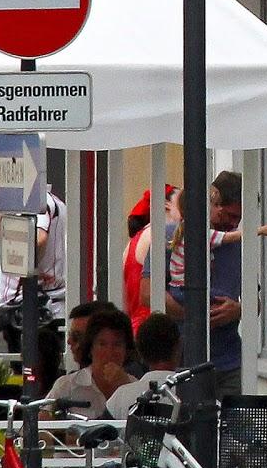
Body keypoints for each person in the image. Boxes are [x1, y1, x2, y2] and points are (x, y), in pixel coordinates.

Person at [152, 170, 250, 397]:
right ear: (213, 204)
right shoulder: (172, 235)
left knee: (232, 428)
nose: (232, 223)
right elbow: (150, 293)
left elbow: (253, 299)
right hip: (181, 359)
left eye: (238, 218)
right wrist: (197, 316)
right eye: (228, 215)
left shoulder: (237, 243)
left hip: (229, 360)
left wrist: (237, 310)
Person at [0, 189, 67, 349]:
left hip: (35, 309)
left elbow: (39, 239)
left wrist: (31, 270)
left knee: (32, 367)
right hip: (25, 308)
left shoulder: (38, 201)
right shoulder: (26, 202)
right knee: (23, 369)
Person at [45, 307, 135, 416]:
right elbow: (42, 425)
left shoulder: (136, 387)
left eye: (117, 345)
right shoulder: (66, 386)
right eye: (102, 344)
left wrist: (125, 388)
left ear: (126, 350)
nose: (109, 352)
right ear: (90, 348)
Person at [105, 312, 182, 421]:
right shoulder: (196, 396)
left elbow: (102, 434)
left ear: (140, 352)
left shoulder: (120, 397)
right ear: (178, 346)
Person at [123, 184, 178, 334]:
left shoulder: (133, 241)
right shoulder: (163, 235)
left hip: (136, 328)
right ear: (167, 205)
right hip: (156, 329)